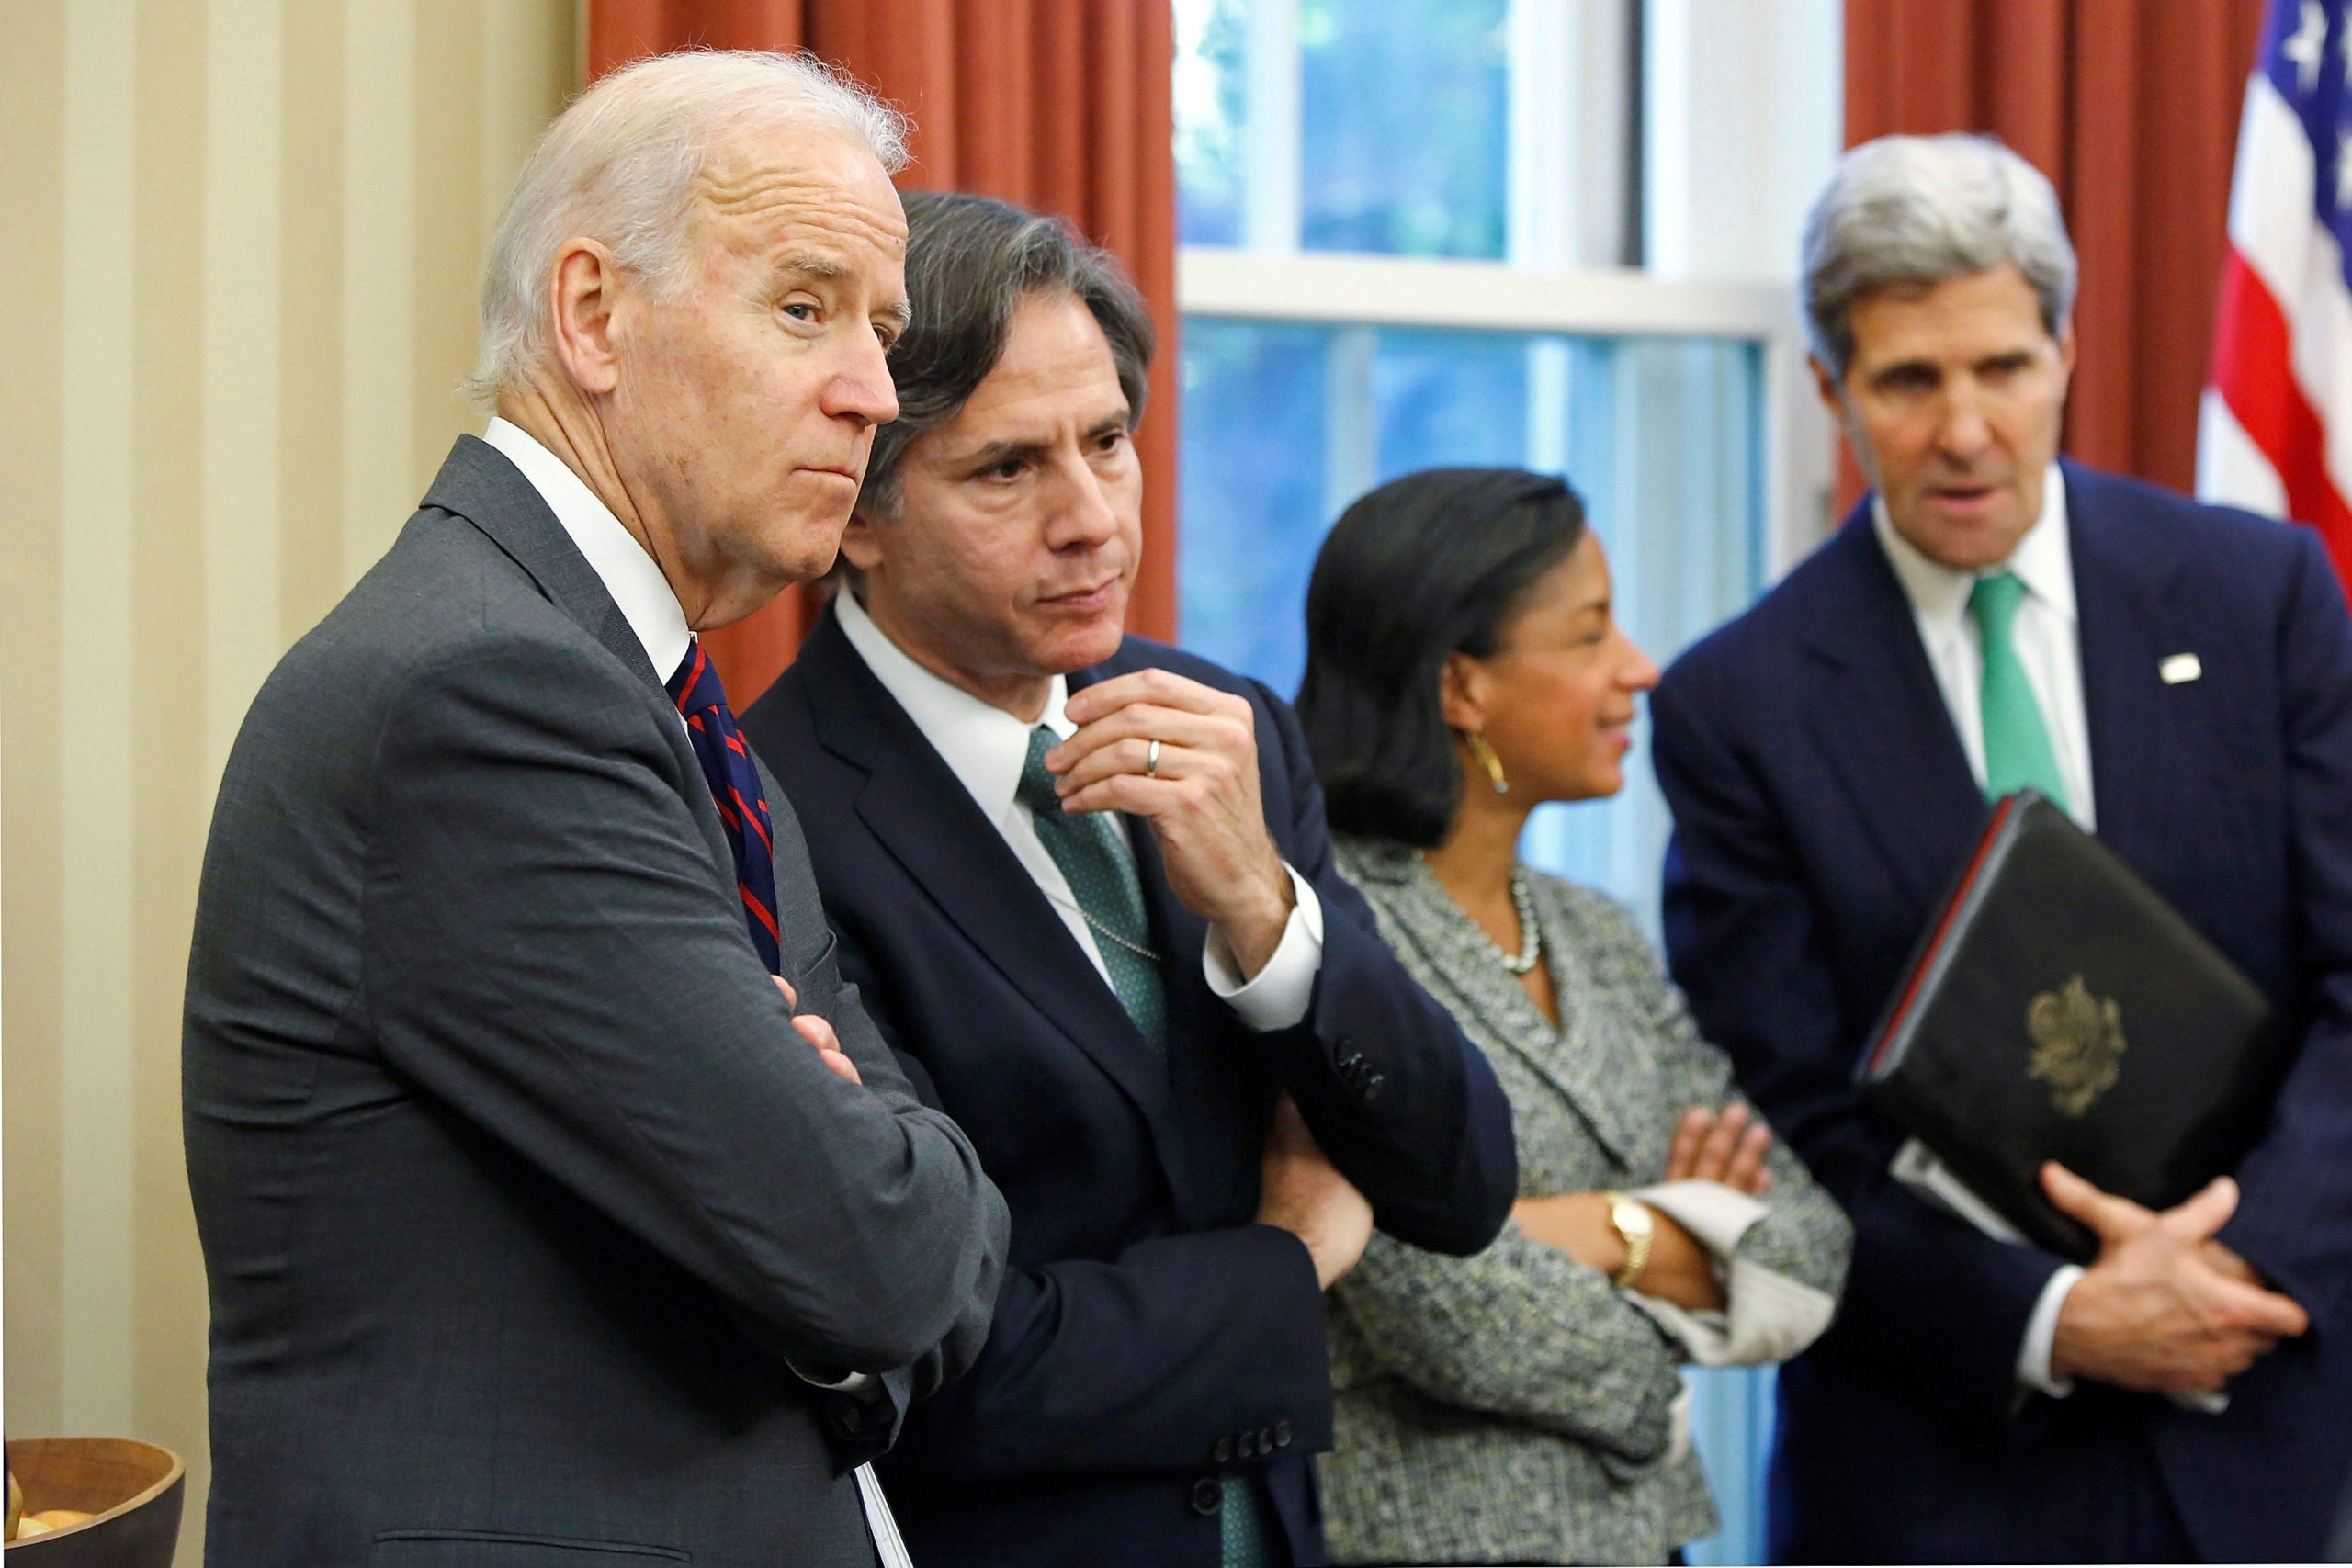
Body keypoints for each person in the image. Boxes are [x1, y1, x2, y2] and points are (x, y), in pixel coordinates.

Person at [183, 51, 1009, 1567]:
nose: (877, 394)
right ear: (592, 316)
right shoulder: (489, 693)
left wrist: (851, 1186)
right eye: (806, 307)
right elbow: (883, 1254)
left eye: (883, 332)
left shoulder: (648, 686)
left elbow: (918, 1246)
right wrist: (847, 1191)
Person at [739, 192, 1518, 1568]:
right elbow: (944, 1366)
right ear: (859, 511)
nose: (1091, 518)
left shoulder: (1224, 723)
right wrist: (1288, 1264)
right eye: (1007, 470)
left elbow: (1459, 1182)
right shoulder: (769, 809)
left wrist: (1271, 918)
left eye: (1109, 443)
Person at [1650, 132, 2352, 1562]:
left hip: (2258, 1422)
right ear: (1830, 390)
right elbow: (1791, 1120)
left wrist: (2233, 1263)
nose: (1965, 429)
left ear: (2066, 352)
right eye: (1910, 381)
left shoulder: (2257, 595)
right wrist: (2058, 1317)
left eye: (2002, 368)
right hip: (1936, 1469)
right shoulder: (1744, 703)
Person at [1289, 467, 1850, 1566]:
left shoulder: (1594, 931)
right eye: (1589, 634)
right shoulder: (1321, 935)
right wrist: (1668, 1231)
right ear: (1461, 687)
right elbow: (1438, 1308)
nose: (1637, 668)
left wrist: (1567, 1231)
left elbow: (1809, 1250)